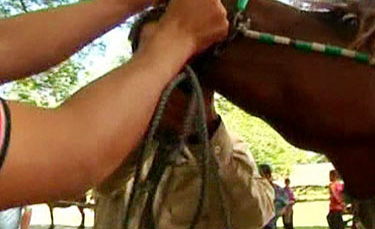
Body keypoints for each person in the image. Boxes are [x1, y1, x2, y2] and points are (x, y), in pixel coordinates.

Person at [0, 0, 229, 228]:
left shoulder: (216, 143)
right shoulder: (129, 138)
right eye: (143, 52)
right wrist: (177, 36)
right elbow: (70, 158)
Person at [92, 22, 275, 229]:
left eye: (180, 54)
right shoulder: (116, 139)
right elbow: (103, 183)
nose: (168, 66)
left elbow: (255, 217)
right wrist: (145, 132)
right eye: (152, 53)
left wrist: (205, 131)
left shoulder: (226, 148)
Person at [259, 164, 288, 229]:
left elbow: (284, 205)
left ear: (268, 175)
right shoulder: (256, 190)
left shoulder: (277, 190)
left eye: (260, 176)